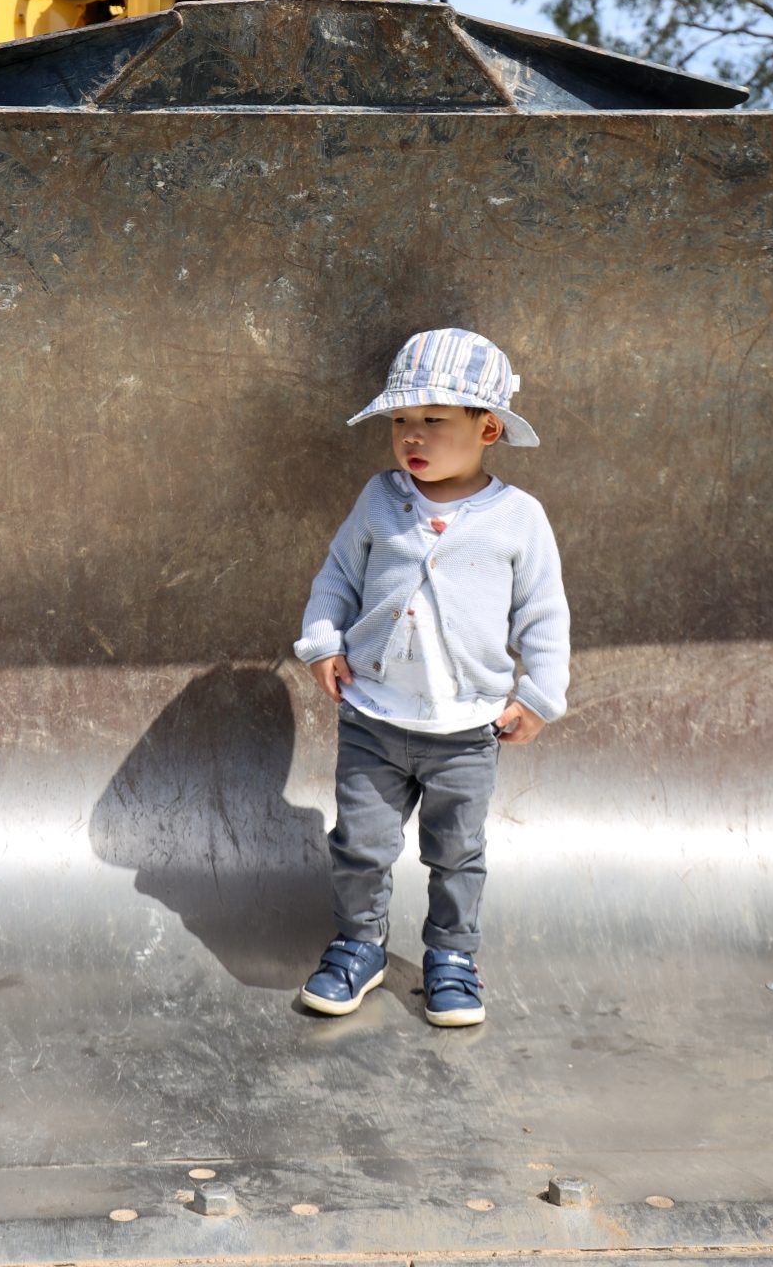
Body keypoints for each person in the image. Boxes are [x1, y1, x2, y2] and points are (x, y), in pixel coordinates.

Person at [294, 326, 569, 1027]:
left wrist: (537, 695)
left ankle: (451, 955)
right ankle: (359, 946)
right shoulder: (380, 499)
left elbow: (543, 612)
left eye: (433, 421)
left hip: (464, 729)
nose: (411, 436)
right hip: (373, 717)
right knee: (360, 844)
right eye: (400, 421)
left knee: (456, 853)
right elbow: (337, 577)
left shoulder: (518, 518)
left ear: (488, 429)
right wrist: (322, 643)